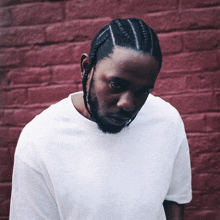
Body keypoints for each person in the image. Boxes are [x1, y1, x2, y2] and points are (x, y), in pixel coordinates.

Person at [10, 18, 192, 220]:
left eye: (143, 92)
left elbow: (174, 199)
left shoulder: (167, 121)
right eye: (116, 85)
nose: (128, 104)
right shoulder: (39, 139)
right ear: (87, 67)